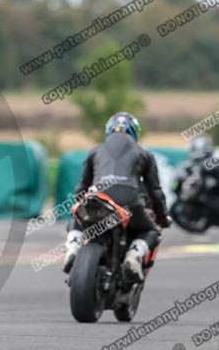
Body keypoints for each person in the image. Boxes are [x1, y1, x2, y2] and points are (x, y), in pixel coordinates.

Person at [63, 112, 170, 280]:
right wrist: (163, 217)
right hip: (129, 202)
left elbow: (81, 189)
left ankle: (73, 247)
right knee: (151, 230)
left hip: (97, 198)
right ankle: (133, 257)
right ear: (135, 132)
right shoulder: (145, 153)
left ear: (109, 130)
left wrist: (82, 204)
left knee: (77, 217)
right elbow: (155, 191)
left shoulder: (95, 150)